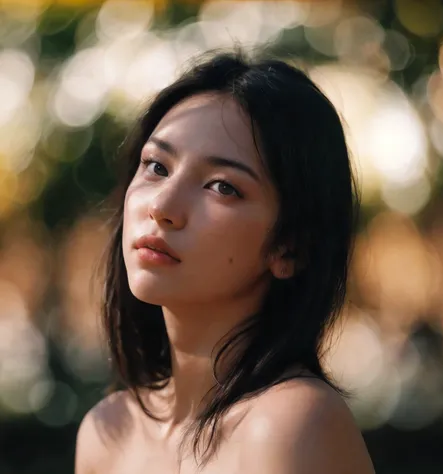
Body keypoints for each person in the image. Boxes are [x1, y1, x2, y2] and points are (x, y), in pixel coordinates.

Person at [75, 49, 375, 474]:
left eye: (222, 187)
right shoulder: (107, 432)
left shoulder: (291, 426)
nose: (163, 205)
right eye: (157, 166)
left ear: (289, 249)